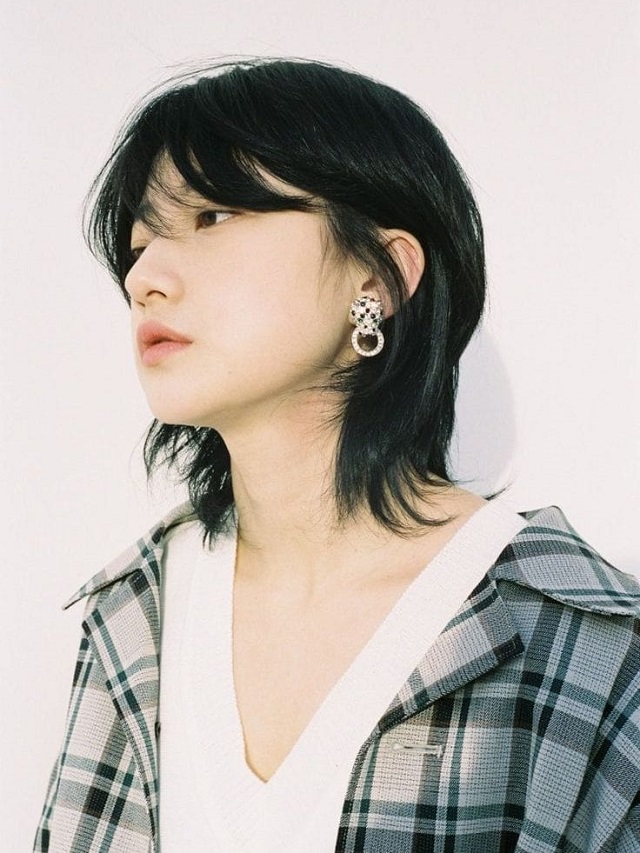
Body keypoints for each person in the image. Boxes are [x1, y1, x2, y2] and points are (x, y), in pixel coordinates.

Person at [34, 58, 639, 853]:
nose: (144, 276)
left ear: (378, 276)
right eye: (139, 243)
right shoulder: (134, 614)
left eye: (212, 215)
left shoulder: (582, 646)